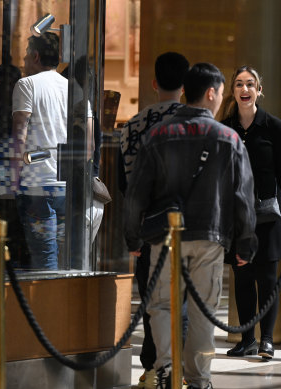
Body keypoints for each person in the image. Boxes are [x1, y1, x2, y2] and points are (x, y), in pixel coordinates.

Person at [124, 63, 258, 389]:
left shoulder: (158, 134)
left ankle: (166, 372)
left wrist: (133, 237)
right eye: (223, 93)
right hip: (209, 237)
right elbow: (243, 196)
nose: (221, 100)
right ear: (211, 93)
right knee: (203, 310)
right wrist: (246, 243)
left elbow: (137, 193)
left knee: (161, 306)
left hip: (164, 237)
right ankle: (199, 380)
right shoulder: (229, 138)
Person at [119, 51, 190, 389]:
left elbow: (125, 185)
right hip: (189, 226)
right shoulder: (197, 124)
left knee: (151, 301)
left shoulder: (133, 126)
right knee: (182, 300)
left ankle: (153, 370)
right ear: (185, 84)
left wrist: (132, 233)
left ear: (153, 82)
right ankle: (176, 371)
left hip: (148, 225)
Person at [220, 65, 281, 360]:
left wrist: (271, 203)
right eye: (239, 84)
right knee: (242, 276)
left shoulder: (273, 126)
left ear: (259, 91)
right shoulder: (226, 127)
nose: (245, 89)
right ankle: (247, 338)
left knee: (266, 277)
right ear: (233, 91)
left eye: (250, 84)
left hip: (268, 213)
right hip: (238, 215)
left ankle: (267, 340)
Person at [11, 32, 68, 270]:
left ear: (35, 56)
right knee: (67, 259)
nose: (23, 61)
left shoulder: (26, 85)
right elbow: (89, 142)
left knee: (44, 259)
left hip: (37, 187)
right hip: (67, 188)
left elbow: (19, 134)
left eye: (25, 55)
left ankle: (47, 307)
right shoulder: (72, 88)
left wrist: (13, 178)